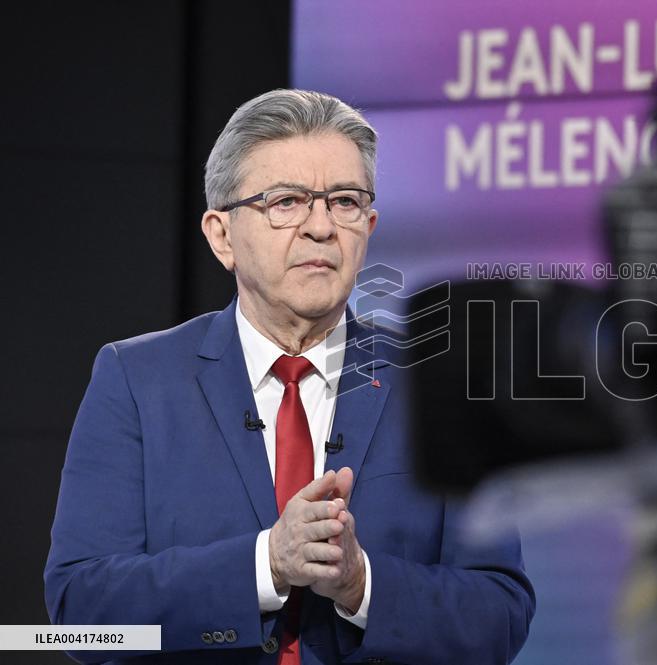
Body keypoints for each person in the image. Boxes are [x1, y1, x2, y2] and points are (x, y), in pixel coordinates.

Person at [44, 89, 534, 665]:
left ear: (369, 225)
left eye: (345, 201)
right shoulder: (135, 380)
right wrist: (265, 564)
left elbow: (500, 618)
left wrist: (361, 584)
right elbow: (79, 618)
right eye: (287, 201)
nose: (321, 226)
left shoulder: (442, 383)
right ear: (221, 235)